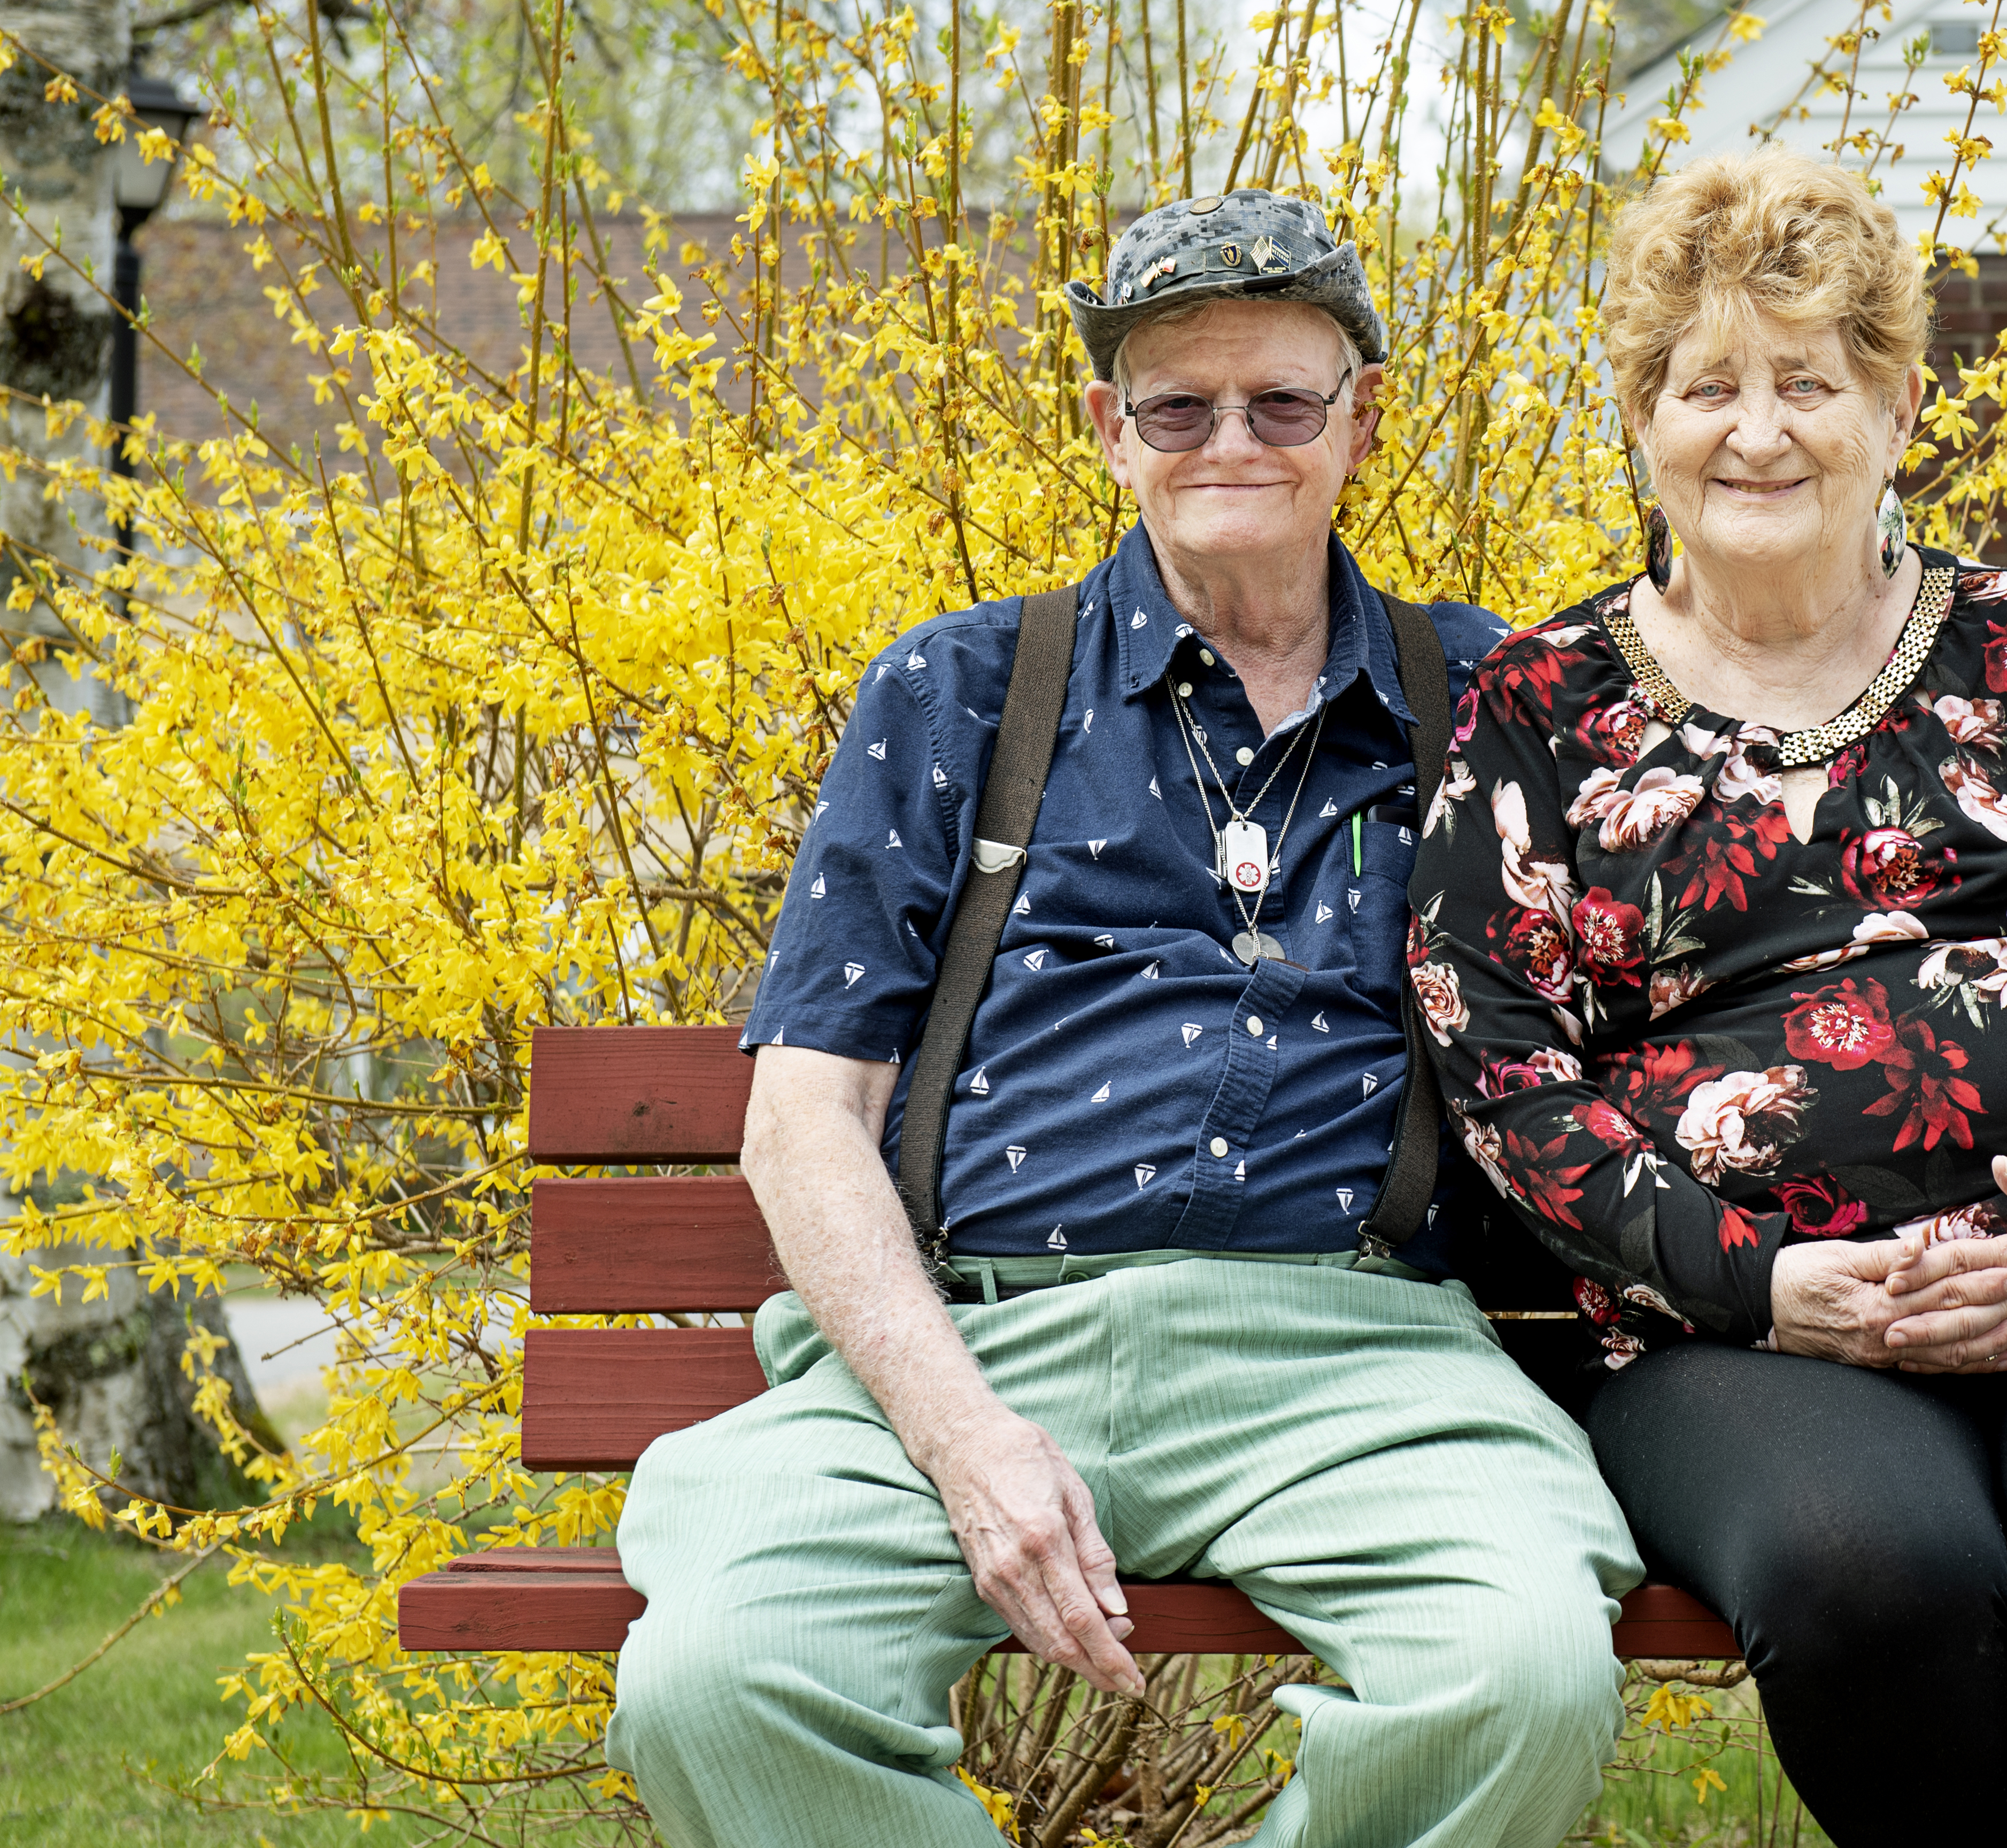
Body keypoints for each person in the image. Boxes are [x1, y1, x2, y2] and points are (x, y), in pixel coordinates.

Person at [601, 190, 1645, 1848]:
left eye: (1282, 402)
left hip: (1358, 1356)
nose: (1232, 439)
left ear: (1359, 422)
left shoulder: (1491, 698)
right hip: (973, 1342)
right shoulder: (957, 690)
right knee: (716, 1681)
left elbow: (1723, 934)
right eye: (1178, 405)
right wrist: (962, 1439)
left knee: (1519, 1673)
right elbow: (802, 1115)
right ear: (1111, 431)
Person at [1407, 146, 2007, 1845]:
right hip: (1737, 1329)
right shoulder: (1537, 708)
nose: (1757, 429)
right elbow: (1508, 1076)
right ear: (1642, 419)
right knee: (1865, 1574)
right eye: (1708, 385)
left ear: (1895, 407)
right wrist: (1767, 1281)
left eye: (1808, 380)